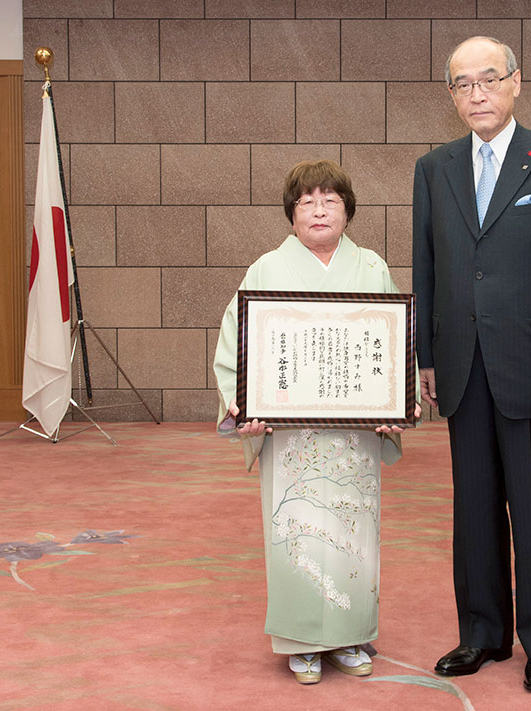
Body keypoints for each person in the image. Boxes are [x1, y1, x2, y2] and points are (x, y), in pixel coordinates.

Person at [412, 36, 531, 693]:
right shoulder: (433, 170)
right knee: (474, 505)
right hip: (462, 365)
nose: (476, 94)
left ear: (515, 82)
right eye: (462, 84)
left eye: (487, 79)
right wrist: (426, 357)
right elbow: (428, 268)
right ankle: (482, 632)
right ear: (450, 97)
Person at [213, 159, 419, 685]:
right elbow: (234, 347)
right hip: (290, 440)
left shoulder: (371, 268)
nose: (320, 209)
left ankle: (350, 635)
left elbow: (394, 347)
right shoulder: (265, 270)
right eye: (307, 201)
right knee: (296, 528)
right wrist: (243, 406)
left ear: (348, 210)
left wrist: (398, 404)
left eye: (330, 199)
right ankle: (301, 639)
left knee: (353, 532)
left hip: (354, 438)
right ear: (291, 214)